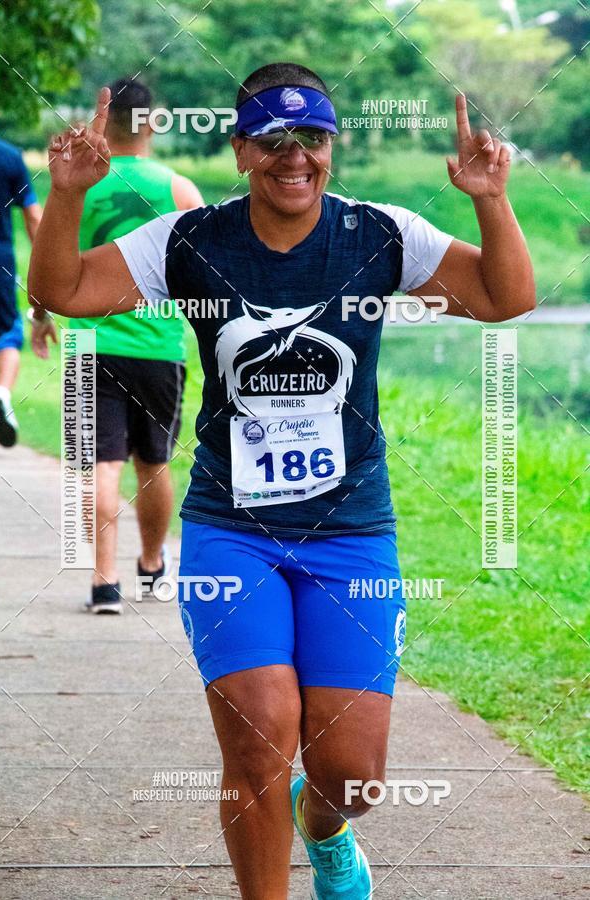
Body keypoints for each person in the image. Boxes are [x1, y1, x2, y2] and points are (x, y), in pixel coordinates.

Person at [29, 63, 535, 898]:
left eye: (312, 138)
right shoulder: (190, 243)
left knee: (355, 778)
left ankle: (324, 825)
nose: (293, 157)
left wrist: (489, 196)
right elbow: (65, 289)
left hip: (350, 532)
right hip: (234, 529)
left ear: (332, 147)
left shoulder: (380, 235)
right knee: (260, 737)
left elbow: (502, 297)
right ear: (240, 150)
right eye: (272, 140)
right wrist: (70, 194)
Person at [30, 78, 203, 614]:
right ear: (154, 121)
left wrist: (40, 315)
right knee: (154, 464)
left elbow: (53, 258)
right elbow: (205, 272)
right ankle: (152, 567)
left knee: (99, 465)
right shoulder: (178, 188)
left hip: (87, 343)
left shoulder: (79, 184)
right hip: (157, 345)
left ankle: (103, 582)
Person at [0, 110, 43, 447]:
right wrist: (45, 265)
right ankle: (1, 393)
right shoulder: (10, 158)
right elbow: (33, 217)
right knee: (7, 331)